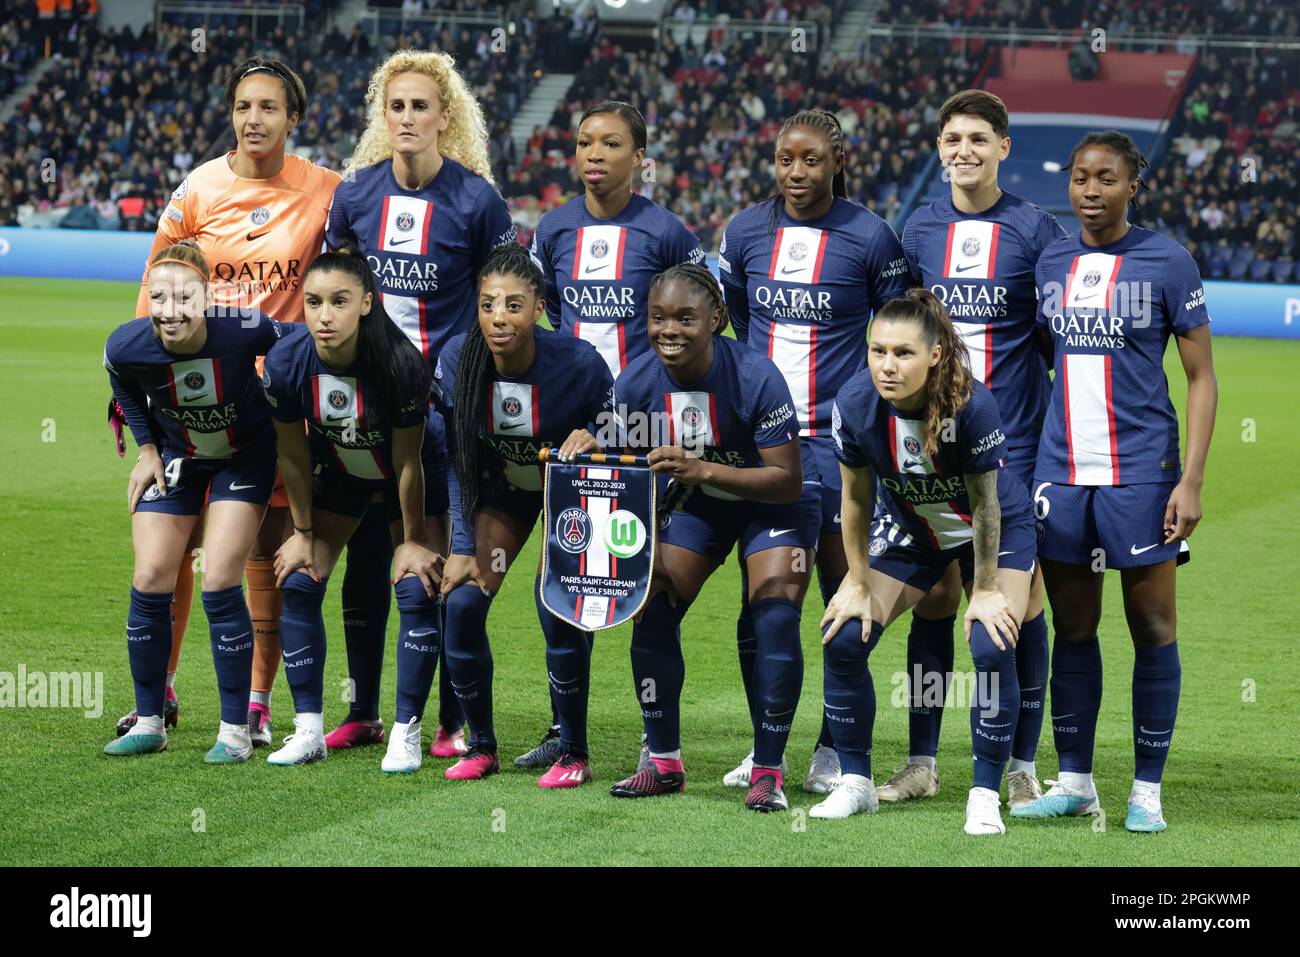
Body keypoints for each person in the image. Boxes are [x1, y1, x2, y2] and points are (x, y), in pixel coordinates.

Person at [120, 56, 340, 749]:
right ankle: (163, 691)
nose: (254, 120)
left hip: (272, 406)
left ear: (292, 118)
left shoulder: (325, 191)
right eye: (244, 106)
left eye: (269, 108)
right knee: (173, 543)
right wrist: (143, 400)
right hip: (190, 398)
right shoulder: (197, 189)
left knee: (263, 551)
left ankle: (256, 700)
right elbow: (157, 282)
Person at [1012, 132, 1216, 833]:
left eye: (1106, 178)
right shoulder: (1052, 260)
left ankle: (1147, 790)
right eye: (1079, 177)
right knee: (1074, 626)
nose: (1089, 190)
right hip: (1062, 472)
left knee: (1153, 625)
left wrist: (1190, 479)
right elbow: (1043, 357)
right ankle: (1075, 781)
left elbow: (1201, 378)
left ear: (1135, 185)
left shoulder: (1168, 260)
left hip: (1142, 473)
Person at [322, 49, 517, 756]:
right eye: (395, 106)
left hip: (443, 410)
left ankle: (447, 718)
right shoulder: (355, 194)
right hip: (364, 408)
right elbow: (332, 288)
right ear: (384, 114)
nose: (407, 117)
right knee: (369, 557)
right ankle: (365, 710)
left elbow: (507, 297)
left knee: (430, 559)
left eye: (420, 106)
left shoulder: (476, 199)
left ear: (446, 116)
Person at [717, 108, 912, 793]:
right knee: (765, 598)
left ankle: (831, 747)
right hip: (769, 449)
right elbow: (740, 320)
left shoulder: (871, 237)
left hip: (840, 448)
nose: (796, 173)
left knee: (842, 596)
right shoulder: (744, 231)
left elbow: (893, 330)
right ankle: (762, 740)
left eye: (811, 160)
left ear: (836, 159)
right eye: (784, 160)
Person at [892, 90, 1067, 808]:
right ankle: (922, 760)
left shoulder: (1035, 229)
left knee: (1013, 608)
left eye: (977, 138)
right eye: (951, 138)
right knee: (936, 597)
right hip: (931, 455)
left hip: (1016, 451)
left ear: (1002, 146)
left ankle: (1020, 763)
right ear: (939, 148)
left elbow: (1058, 343)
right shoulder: (919, 228)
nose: (962, 150)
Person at [520, 99, 704, 770]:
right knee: (562, 584)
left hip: (640, 434)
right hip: (571, 435)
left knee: (638, 587)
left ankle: (660, 742)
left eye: (612, 143)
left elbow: (697, 321)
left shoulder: (667, 233)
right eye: (585, 143)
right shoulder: (553, 228)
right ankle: (568, 734)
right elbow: (554, 318)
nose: (595, 154)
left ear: (640, 157)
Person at [817, 288, 1038, 835]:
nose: (887, 366)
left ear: (935, 354)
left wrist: (984, 588)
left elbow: (985, 507)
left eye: (903, 353)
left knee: (993, 640)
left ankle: (989, 789)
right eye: (878, 351)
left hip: (992, 525)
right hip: (917, 526)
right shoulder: (853, 404)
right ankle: (858, 783)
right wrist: (857, 579)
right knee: (844, 633)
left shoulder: (972, 406)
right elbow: (854, 500)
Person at [606, 263, 817, 813]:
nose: (668, 330)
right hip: (701, 503)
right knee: (651, 604)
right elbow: (623, 471)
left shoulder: (755, 376)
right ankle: (664, 760)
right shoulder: (634, 383)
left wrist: (702, 470)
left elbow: (786, 478)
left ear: (717, 319)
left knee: (772, 612)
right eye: (657, 318)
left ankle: (768, 771)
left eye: (684, 318)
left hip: (775, 501)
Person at [434, 243, 614, 787]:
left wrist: (597, 438)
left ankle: (572, 749)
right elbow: (456, 459)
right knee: (462, 603)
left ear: (538, 308)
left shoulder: (580, 364)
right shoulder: (456, 359)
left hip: (575, 497)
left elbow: (622, 428)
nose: (499, 317)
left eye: (514, 305)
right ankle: (482, 745)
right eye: (488, 304)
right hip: (503, 494)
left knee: (557, 606)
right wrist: (463, 546)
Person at [262, 248, 448, 767]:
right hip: (339, 473)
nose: (324, 315)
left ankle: (406, 731)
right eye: (314, 302)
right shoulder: (285, 364)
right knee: (299, 579)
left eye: (339, 302)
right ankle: (307, 731)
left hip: (405, 479)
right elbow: (293, 455)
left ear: (367, 303)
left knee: (416, 587)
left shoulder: (401, 364)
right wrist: (300, 531)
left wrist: (411, 543)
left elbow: (409, 464)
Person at [103, 241, 284, 763]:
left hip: (244, 458)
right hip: (180, 458)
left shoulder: (245, 328)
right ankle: (150, 720)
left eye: (184, 297)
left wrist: (293, 422)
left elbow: (296, 343)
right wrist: (145, 448)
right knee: (151, 575)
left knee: (220, 578)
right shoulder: (125, 346)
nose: (170, 310)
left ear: (207, 297)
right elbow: (123, 385)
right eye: (158, 297)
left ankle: (234, 730)